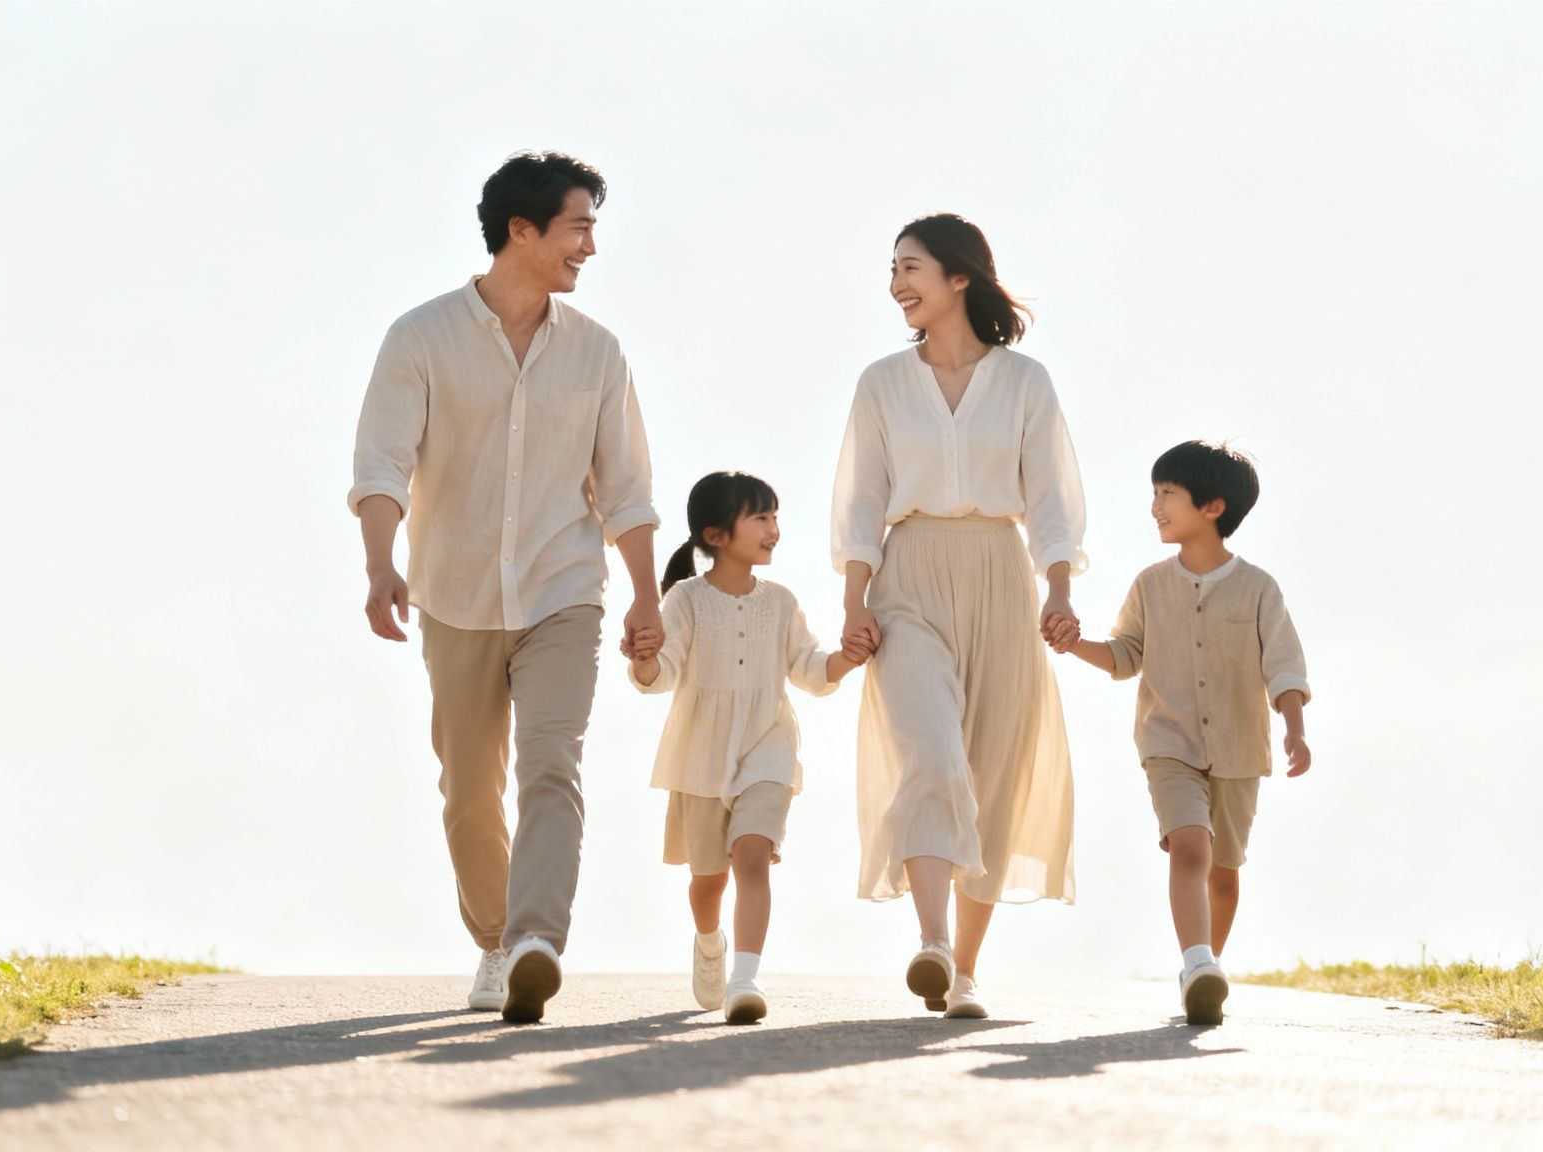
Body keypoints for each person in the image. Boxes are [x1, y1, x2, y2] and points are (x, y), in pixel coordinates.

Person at [348, 151, 663, 1025]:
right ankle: (494, 938)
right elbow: (381, 462)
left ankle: (534, 943)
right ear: (521, 230)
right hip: (453, 593)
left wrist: (643, 595)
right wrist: (382, 564)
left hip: (565, 590)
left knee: (552, 766)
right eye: (578, 228)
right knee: (468, 786)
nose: (590, 248)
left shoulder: (598, 353)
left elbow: (626, 488)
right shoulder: (421, 337)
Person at [831, 213, 1086, 1020]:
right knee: (933, 754)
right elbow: (863, 500)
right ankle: (932, 941)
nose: (898, 284)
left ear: (960, 278)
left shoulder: (1024, 382)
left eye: (912, 268)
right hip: (908, 576)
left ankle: (965, 972)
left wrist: (1060, 589)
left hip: (1000, 577)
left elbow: (1049, 497)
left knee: (993, 774)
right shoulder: (880, 383)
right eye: (894, 269)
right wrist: (853, 601)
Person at [1060, 440, 1313, 1025]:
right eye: (1155, 494)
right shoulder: (1150, 584)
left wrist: (1295, 728)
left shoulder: (1258, 589)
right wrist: (1076, 646)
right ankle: (1197, 960)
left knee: (1224, 871)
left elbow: (1284, 665)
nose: (1155, 507)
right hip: (1167, 742)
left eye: (1167, 494)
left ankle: (1204, 973)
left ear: (1213, 507)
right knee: (1191, 847)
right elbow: (1126, 656)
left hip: (1240, 749)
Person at [632, 472, 868, 1024]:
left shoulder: (781, 602)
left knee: (753, 857)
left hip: (768, 746)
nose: (774, 530)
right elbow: (661, 672)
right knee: (708, 880)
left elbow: (810, 668)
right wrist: (643, 659)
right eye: (760, 518)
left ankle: (745, 978)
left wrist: (847, 657)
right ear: (716, 534)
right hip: (701, 755)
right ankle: (709, 940)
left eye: (774, 517)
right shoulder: (685, 600)